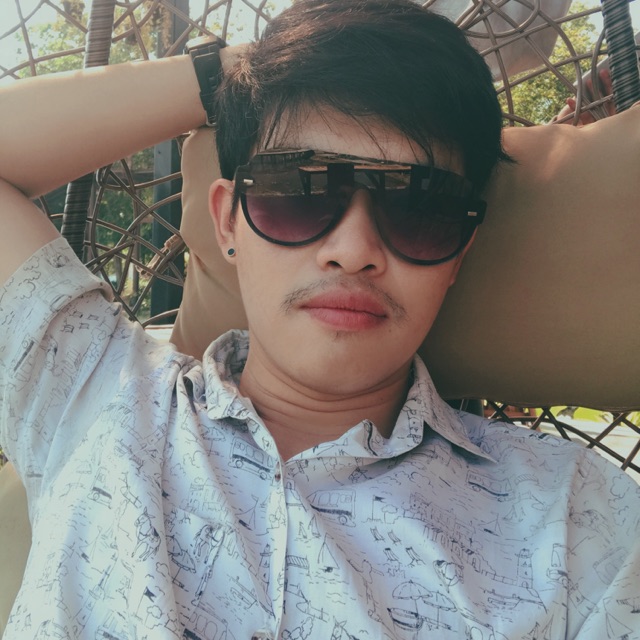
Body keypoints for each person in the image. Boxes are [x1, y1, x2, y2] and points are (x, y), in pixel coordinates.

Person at [0, 1, 638, 639]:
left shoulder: (580, 521)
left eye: (420, 208)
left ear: (459, 254)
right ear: (228, 221)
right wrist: (242, 71)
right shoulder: (92, 386)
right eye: (298, 191)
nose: (354, 251)